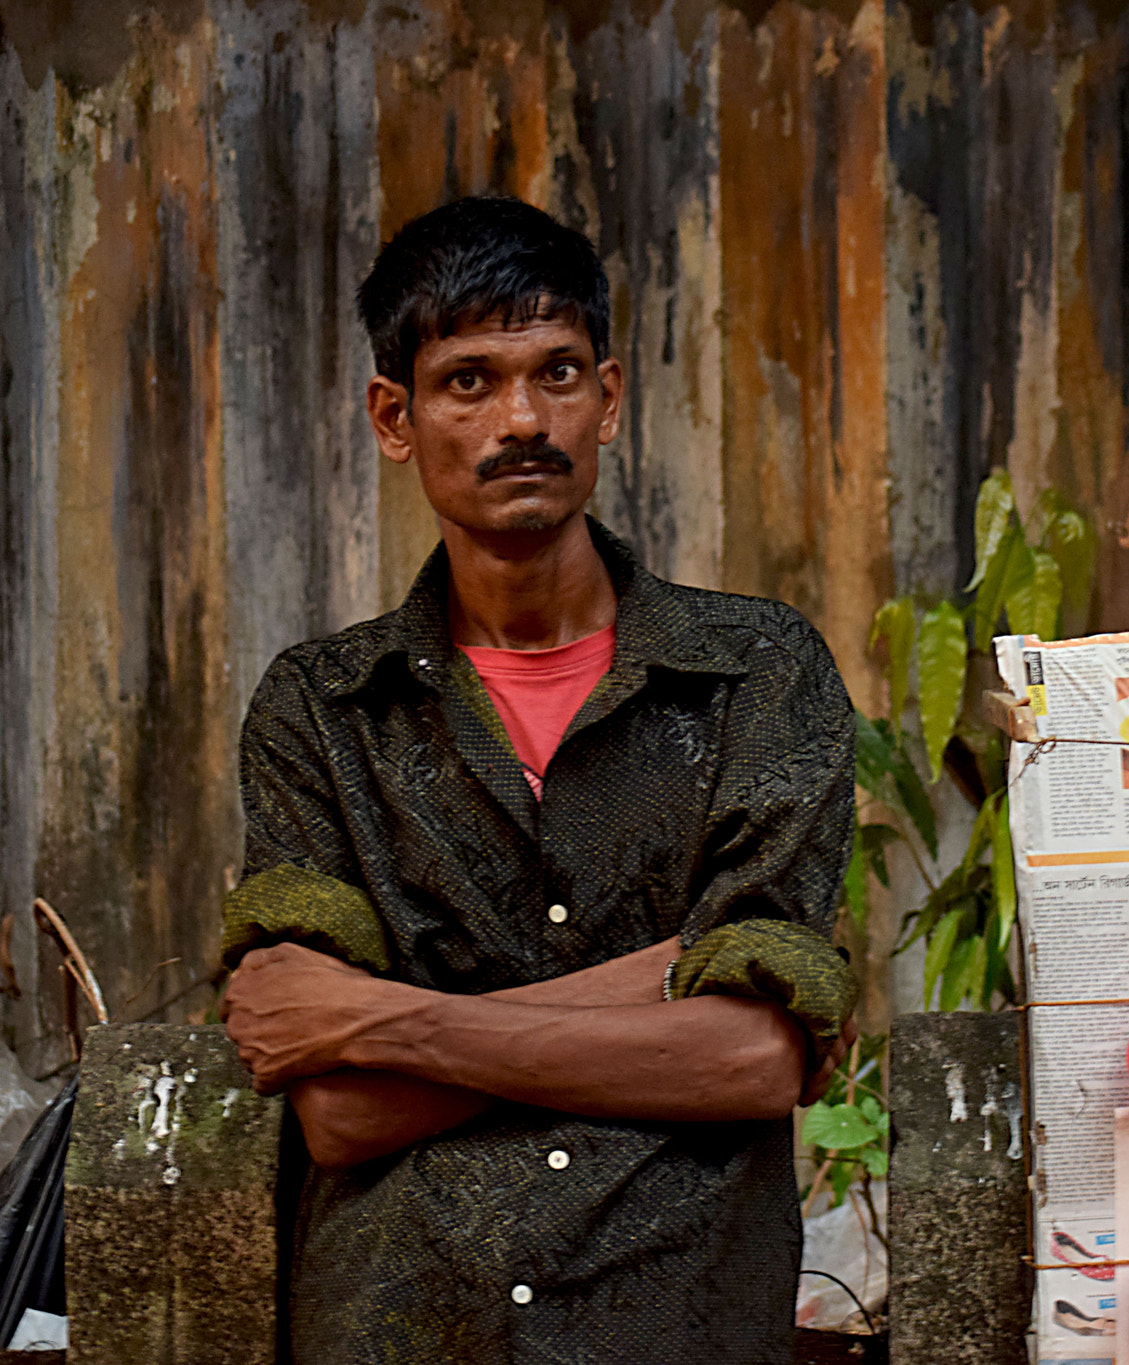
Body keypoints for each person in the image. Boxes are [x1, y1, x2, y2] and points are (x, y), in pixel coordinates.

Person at [217, 197, 855, 1364]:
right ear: (394, 417)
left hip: (676, 1317)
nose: (521, 418)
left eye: (555, 372)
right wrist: (658, 986)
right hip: (407, 1325)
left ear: (607, 397)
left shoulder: (754, 672)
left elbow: (755, 1060)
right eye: (469, 381)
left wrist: (387, 1020)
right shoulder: (322, 709)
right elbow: (341, 1111)